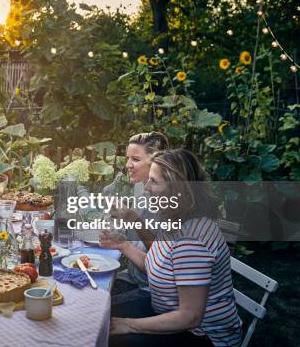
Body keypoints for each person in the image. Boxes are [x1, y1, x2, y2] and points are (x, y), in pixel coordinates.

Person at [100, 149, 242, 347]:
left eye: (154, 182)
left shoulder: (191, 242)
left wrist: (129, 325)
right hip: (166, 314)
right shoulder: (175, 218)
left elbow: (190, 317)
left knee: (108, 336)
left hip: (201, 336)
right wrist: (122, 245)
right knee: (100, 314)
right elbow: (155, 264)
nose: (147, 187)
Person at [114, 131, 169, 288]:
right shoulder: (139, 187)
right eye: (128, 158)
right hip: (131, 276)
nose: (128, 165)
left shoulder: (166, 197)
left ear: (156, 162)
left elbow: (162, 254)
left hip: (151, 288)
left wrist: (131, 218)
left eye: (136, 159)